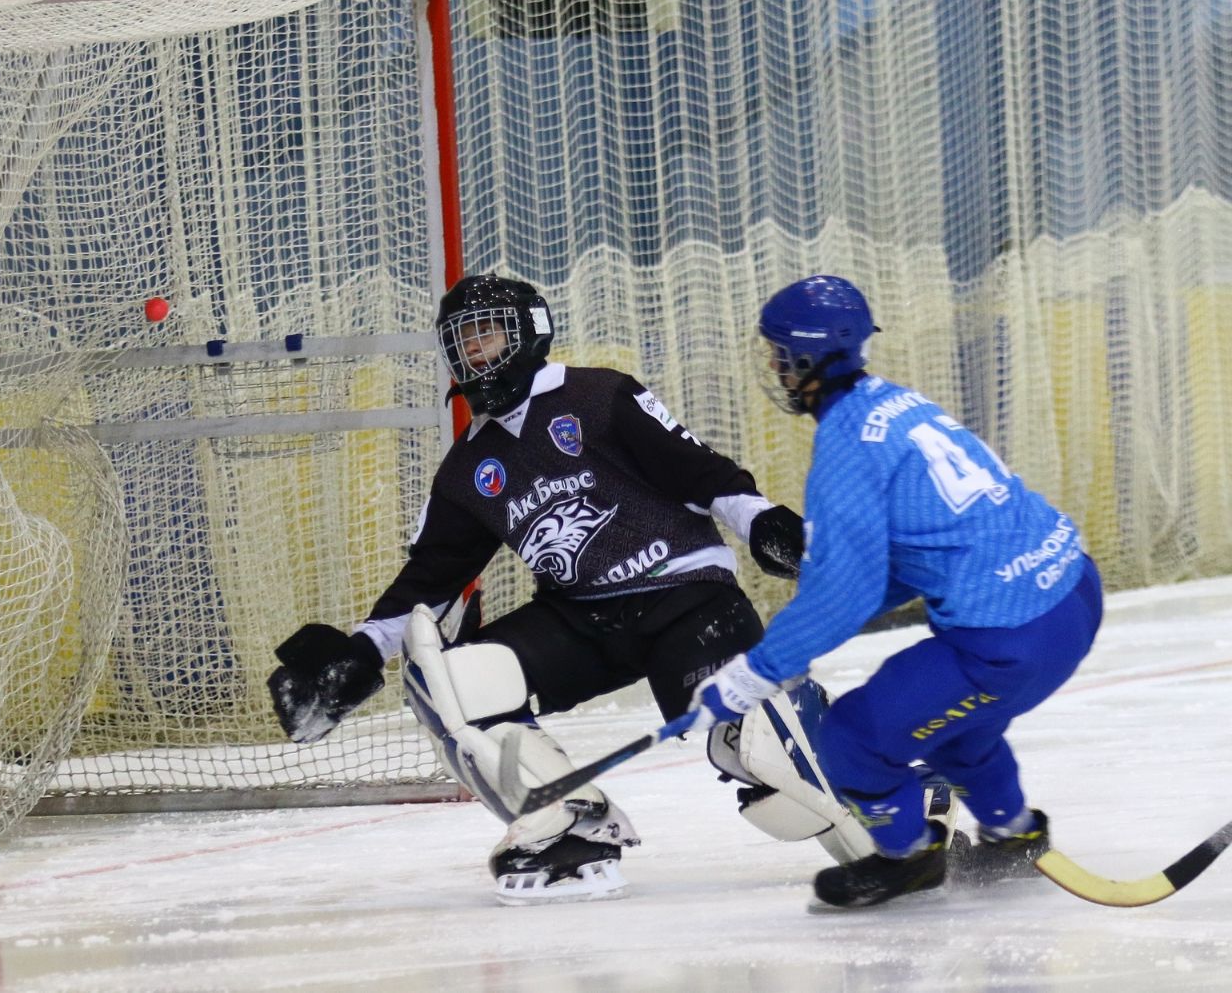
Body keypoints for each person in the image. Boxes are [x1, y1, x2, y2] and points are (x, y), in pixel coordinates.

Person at [266, 274, 866, 906]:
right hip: (582, 620)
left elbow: (698, 471)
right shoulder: (467, 470)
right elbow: (430, 580)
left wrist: (760, 519)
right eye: (462, 343)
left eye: (487, 336)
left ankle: (880, 795)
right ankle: (567, 827)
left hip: (685, 595)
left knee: (758, 748)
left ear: (530, 334)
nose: (474, 355)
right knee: (452, 681)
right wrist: (360, 651)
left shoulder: (600, 395)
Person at [691, 274, 1105, 908]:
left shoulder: (847, 449)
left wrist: (757, 671)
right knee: (955, 726)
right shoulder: (899, 404)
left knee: (853, 738)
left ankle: (908, 857)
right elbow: (920, 552)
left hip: (1009, 636)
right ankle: (1010, 833)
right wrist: (838, 597)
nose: (773, 366)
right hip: (1073, 591)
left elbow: (839, 599)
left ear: (804, 359)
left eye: (778, 353)